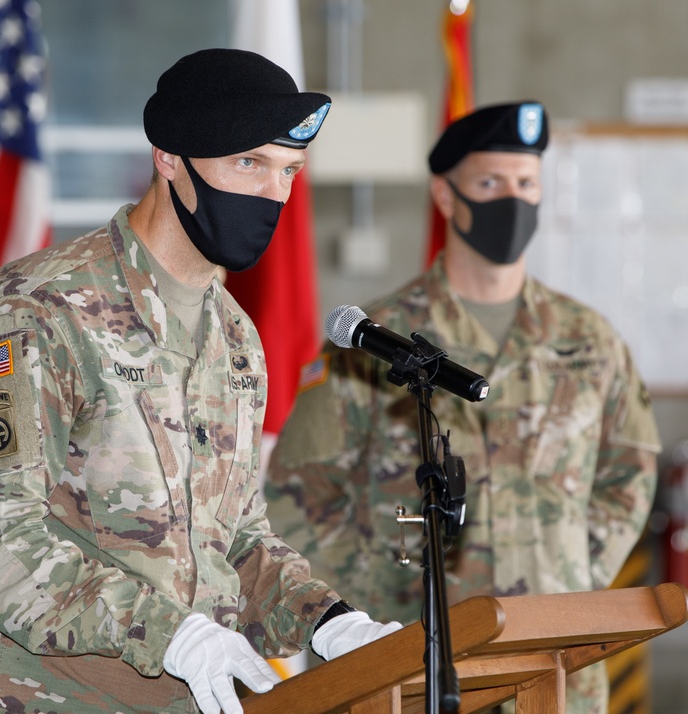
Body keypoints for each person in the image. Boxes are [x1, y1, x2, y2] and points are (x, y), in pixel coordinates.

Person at [0, 48, 400, 714]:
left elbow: (234, 538)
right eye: (249, 163)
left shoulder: (234, 335)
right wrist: (167, 632)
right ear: (170, 157)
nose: (274, 194)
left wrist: (327, 620)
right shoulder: (37, 309)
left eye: (289, 171)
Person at [265, 102, 661, 714]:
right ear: (445, 197)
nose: (513, 199)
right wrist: (370, 600)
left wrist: (575, 568)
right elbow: (297, 493)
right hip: (411, 660)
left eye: (526, 183)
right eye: (490, 183)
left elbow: (630, 470)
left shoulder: (589, 339)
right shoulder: (378, 340)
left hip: (555, 662)